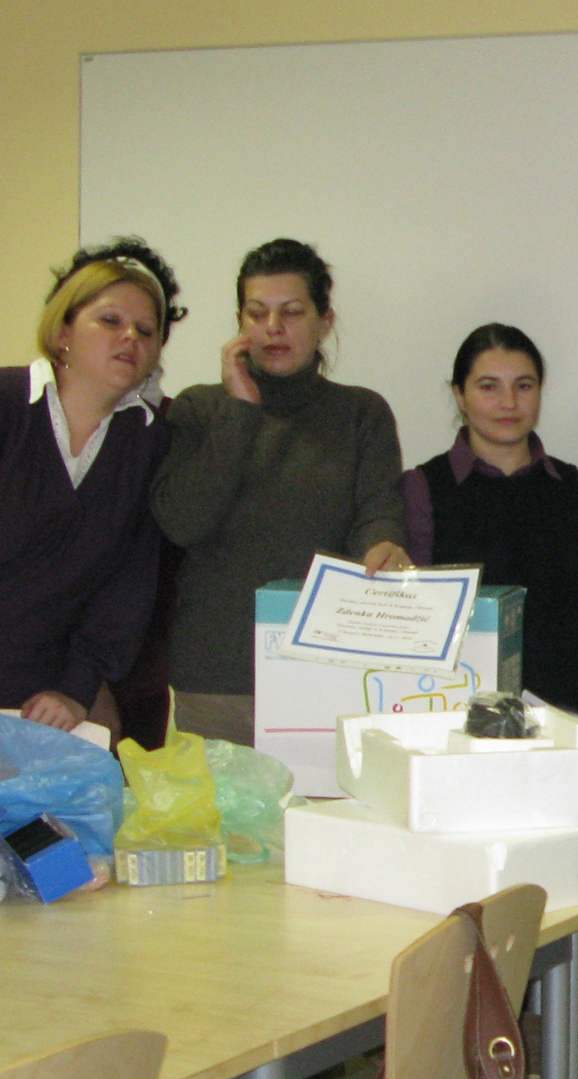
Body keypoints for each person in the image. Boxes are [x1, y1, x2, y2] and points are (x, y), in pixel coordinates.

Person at [151, 238, 408, 746]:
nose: (273, 327)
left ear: (324, 321)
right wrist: (240, 409)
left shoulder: (362, 413)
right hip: (217, 675)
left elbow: (377, 514)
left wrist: (384, 546)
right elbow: (181, 522)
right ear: (240, 322)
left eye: (292, 312)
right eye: (257, 313)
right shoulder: (199, 409)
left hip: (326, 668)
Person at [401, 324, 578, 739]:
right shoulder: (423, 488)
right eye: (488, 386)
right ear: (459, 394)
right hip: (454, 728)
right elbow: (413, 629)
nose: (508, 402)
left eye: (523, 386)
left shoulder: (577, 490)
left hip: (563, 725)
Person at [3, 239, 182, 735]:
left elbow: (127, 585)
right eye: (110, 321)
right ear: (63, 331)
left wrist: (76, 688)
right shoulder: (7, 404)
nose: (130, 337)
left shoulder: (150, 443)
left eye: (146, 330)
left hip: (46, 695)